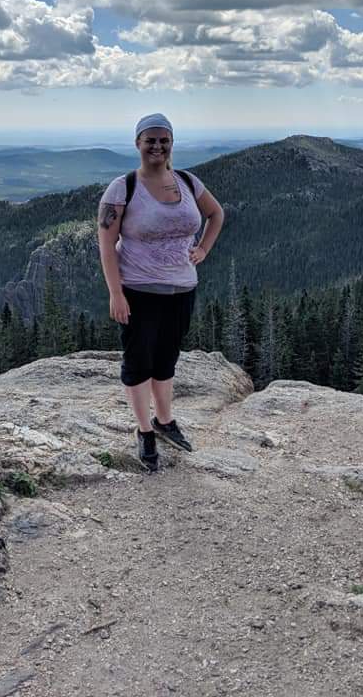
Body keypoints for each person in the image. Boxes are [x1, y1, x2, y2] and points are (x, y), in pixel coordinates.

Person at [97, 113, 225, 472]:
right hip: (138, 288)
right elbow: (107, 244)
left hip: (182, 287)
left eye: (163, 140)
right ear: (137, 143)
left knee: (166, 357)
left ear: (172, 143)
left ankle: (165, 421)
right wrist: (115, 293)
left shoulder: (187, 181)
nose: (157, 146)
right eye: (149, 140)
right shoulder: (123, 188)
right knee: (139, 360)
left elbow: (216, 214)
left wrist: (203, 250)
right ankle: (144, 431)